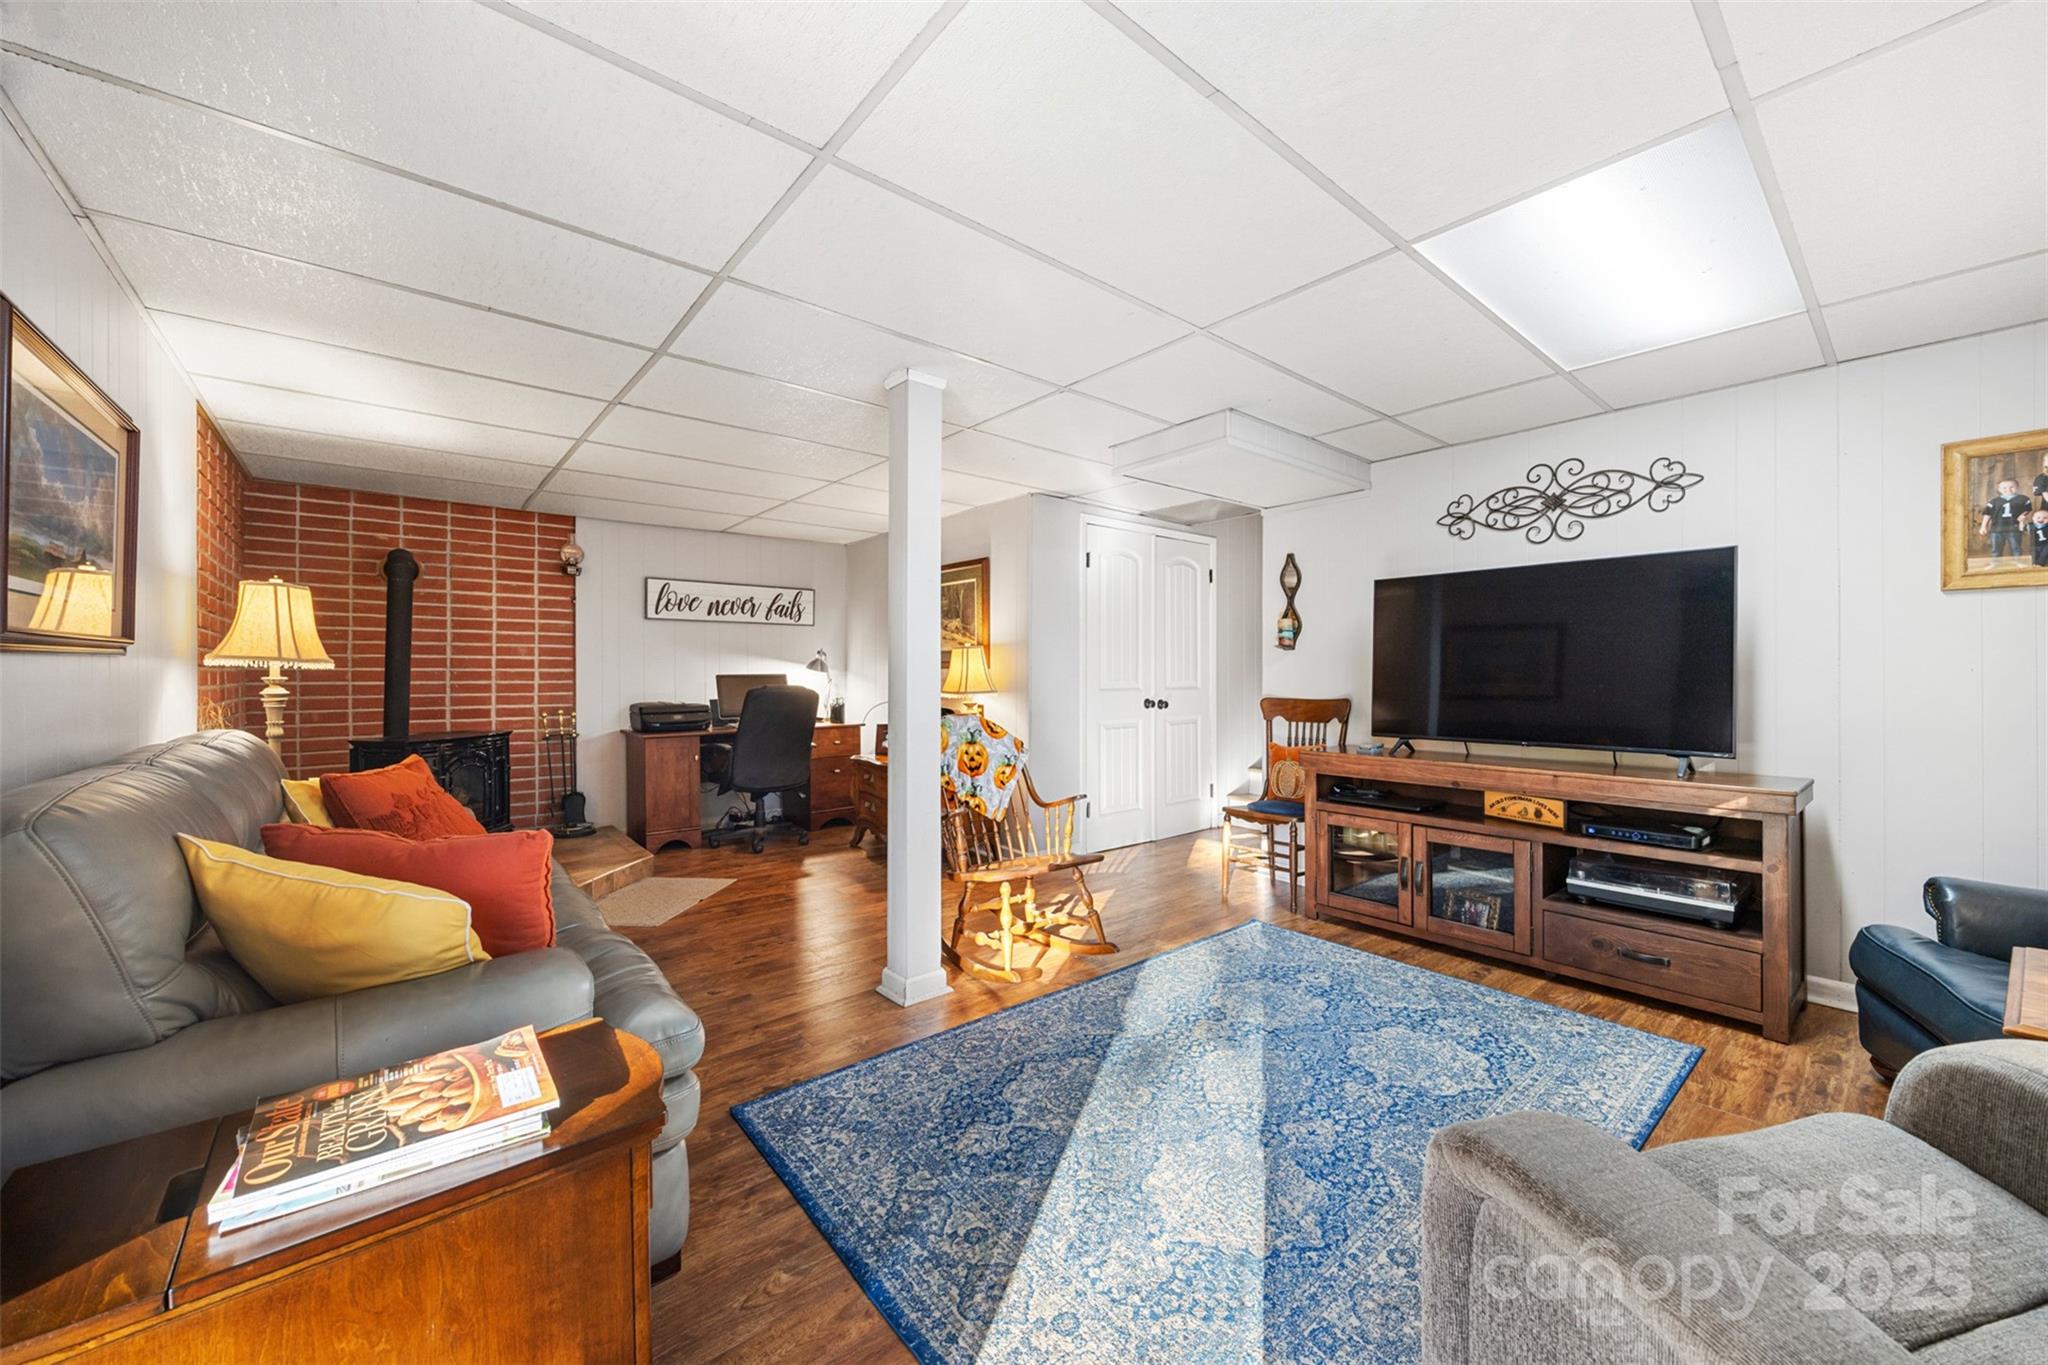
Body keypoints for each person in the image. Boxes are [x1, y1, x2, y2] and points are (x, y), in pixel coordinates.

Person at [1980, 477, 2032, 562]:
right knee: (1996, 548)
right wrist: (1983, 526)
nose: (2008, 489)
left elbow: (2027, 509)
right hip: (1997, 528)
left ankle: (2017, 562)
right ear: (1999, 489)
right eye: (2004, 488)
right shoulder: (1994, 501)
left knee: (2016, 547)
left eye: (2012, 487)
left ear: (2018, 487)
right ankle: (1995, 563)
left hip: (2014, 527)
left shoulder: (2023, 499)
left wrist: (2023, 515)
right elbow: (1987, 514)